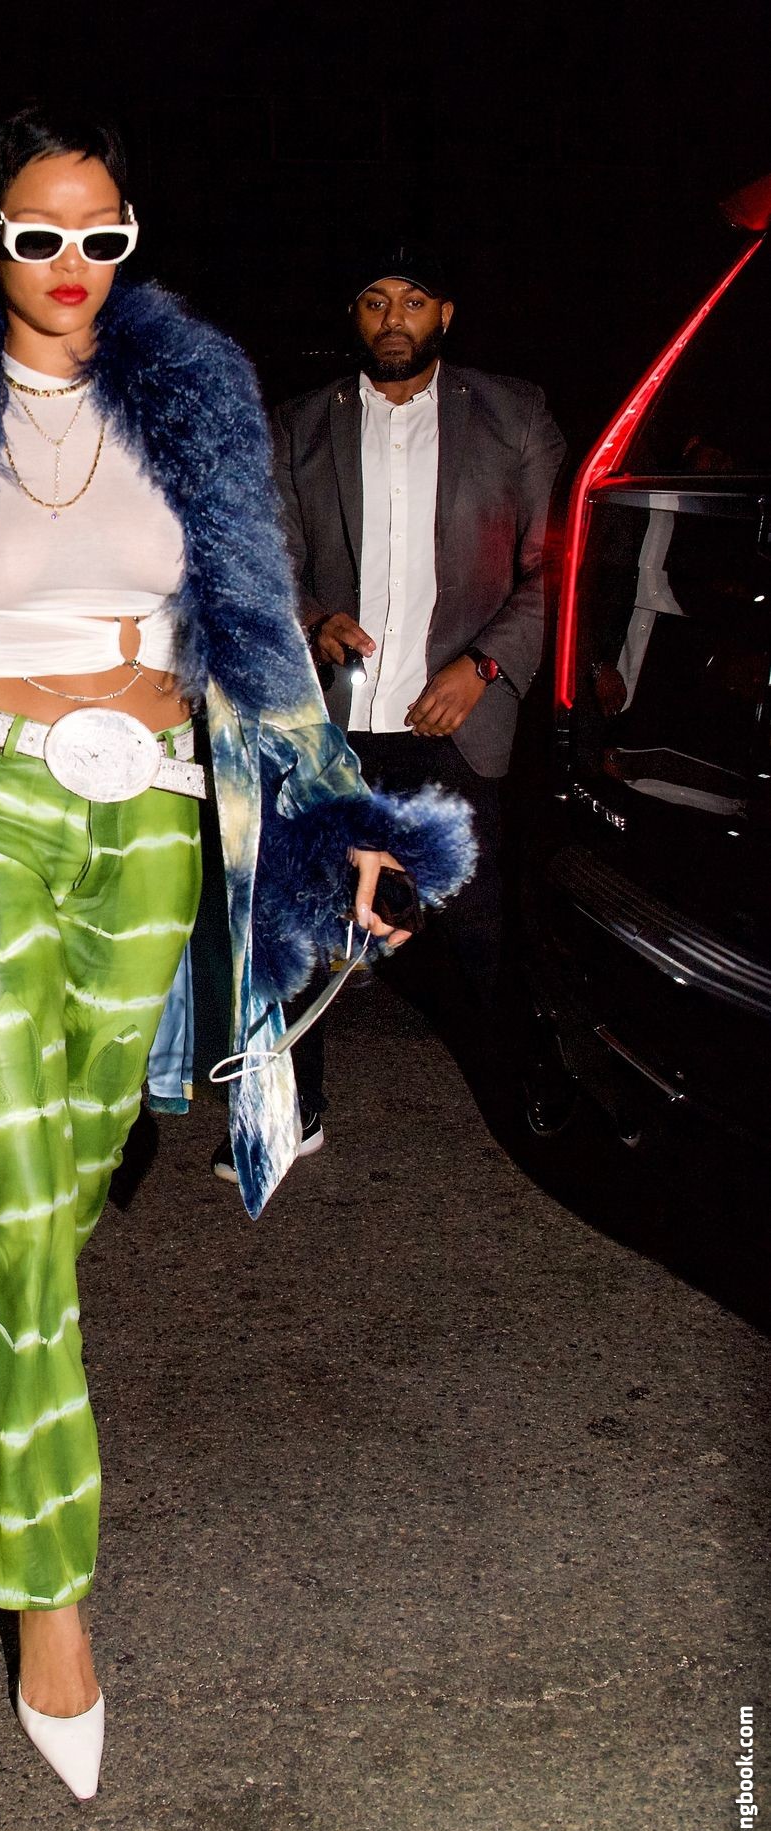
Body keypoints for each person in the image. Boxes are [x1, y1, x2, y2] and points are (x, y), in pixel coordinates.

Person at [0, 113, 475, 1800]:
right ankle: (52, 1600)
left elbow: (256, 631)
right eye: (37, 236)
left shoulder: (195, 392)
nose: (69, 268)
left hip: (147, 803)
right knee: (9, 1186)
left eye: (100, 237)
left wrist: (338, 820)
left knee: (65, 1177)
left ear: (128, 238)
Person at [233, 245, 565, 1168]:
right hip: (333, 721)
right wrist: (312, 617)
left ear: (443, 315)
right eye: (374, 301)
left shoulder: (513, 415)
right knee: (303, 913)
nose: (392, 319)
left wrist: (482, 668)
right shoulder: (299, 423)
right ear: (355, 316)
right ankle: (291, 1109)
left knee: (482, 923)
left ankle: (526, 1083)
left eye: (412, 301)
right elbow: (270, 560)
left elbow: (555, 566)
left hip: (456, 717)